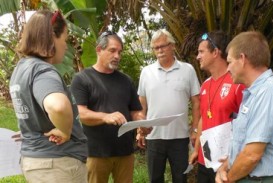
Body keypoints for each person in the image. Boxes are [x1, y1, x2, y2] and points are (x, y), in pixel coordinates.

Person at [9, 10, 88, 183]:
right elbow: (57, 106)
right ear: (52, 36)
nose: (66, 46)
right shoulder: (43, 70)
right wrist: (64, 131)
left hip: (35, 161)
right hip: (58, 164)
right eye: (64, 39)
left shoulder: (21, 69)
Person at [215, 31, 273, 183]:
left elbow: (252, 155)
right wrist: (225, 166)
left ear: (242, 59)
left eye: (230, 62)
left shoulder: (269, 92)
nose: (227, 69)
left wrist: (228, 179)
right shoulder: (255, 94)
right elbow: (245, 145)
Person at [70, 31, 144, 183]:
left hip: (125, 152)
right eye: (112, 50)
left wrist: (142, 122)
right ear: (99, 50)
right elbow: (81, 114)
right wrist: (105, 116)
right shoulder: (82, 79)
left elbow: (135, 111)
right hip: (96, 153)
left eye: (119, 52)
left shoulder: (126, 80)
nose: (117, 56)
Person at [136, 29, 200, 183]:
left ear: (172, 46)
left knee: (180, 178)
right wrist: (140, 130)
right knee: (155, 179)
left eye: (163, 46)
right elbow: (141, 105)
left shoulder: (187, 70)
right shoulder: (146, 72)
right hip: (154, 137)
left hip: (180, 137)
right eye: (156, 47)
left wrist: (196, 129)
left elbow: (197, 101)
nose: (160, 50)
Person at [188, 31, 245, 183]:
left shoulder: (237, 83)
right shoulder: (205, 85)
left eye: (201, 51)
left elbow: (246, 124)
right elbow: (203, 119)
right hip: (204, 160)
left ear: (215, 52)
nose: (198, 56)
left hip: (225, 163)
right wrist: (196, 149)